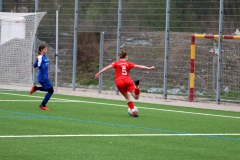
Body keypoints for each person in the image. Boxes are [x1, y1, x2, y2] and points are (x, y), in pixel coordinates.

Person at [95, 50, 155, 117]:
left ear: (120, 56)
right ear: (125, 57)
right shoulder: (129, 63)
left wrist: (99, 73)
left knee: (127, 98)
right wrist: (149, 68)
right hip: (127, 80)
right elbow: (139, 66)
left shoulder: (116, 63)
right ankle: (137, 86)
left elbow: (107, 68)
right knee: (136, 97)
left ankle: (134, 112)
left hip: (119, 81)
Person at [29, 44, 54, 111]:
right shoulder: (40, 57)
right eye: (45, 49)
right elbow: (34, 65)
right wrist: (37, 60)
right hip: (42, 77)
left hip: (45, 77)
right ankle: (43, 105)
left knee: (49, 89)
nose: (46, 50)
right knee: (51, 90)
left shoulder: (45, 57)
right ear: (41, 50)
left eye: (46, 49)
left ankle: (36, 88)